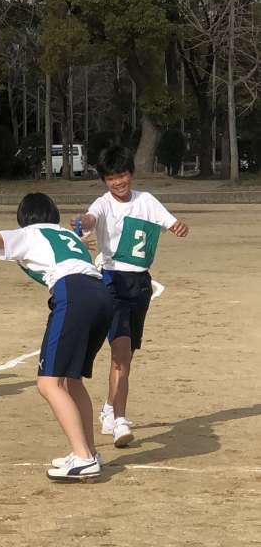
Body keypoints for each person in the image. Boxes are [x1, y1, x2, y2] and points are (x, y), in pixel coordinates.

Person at [0, 193, 113, 481]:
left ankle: (83, 458)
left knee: (48, 383)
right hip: (100, 294)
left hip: (73, 293)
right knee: (72, 380)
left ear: (24, 218)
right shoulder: (65, 234)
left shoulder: (30, 232)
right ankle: (89, 452)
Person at [72, 145, 189, 448]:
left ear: (131, 174)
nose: (118, 183)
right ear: (104, 181)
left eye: (122, 176)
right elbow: (90, 218)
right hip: (112, 282)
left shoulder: (146, 201)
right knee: (120, 354)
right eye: (111, 178)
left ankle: (109, 409)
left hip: (140, 285)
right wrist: (83, 221)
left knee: (127, 355)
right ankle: (120, 420)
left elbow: (170, 222)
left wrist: (178, 226)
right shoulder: (103, 204)